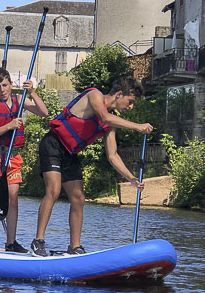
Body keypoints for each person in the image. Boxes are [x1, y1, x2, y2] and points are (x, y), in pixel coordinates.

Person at [31, 76, 153, 257]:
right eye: (130, 101)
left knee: (79, 197)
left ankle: (74, 247)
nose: (131, 107)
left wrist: (131, 178)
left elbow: (112, 155)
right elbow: (103, 115)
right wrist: (137, 126)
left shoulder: (111, 124)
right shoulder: (95, 95)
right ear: (119, 94)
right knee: (54, 190)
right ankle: (38, 241)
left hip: (70, 153)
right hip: (53, 145)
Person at [0, 68, 47, 252]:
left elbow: (43, 112)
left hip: (13, 156)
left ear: (11, 85)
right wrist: (9, 125)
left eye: (5, 85)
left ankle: (10, 242)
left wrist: (32, 92)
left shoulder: (19, 100)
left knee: (13, 199)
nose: (2, 90)